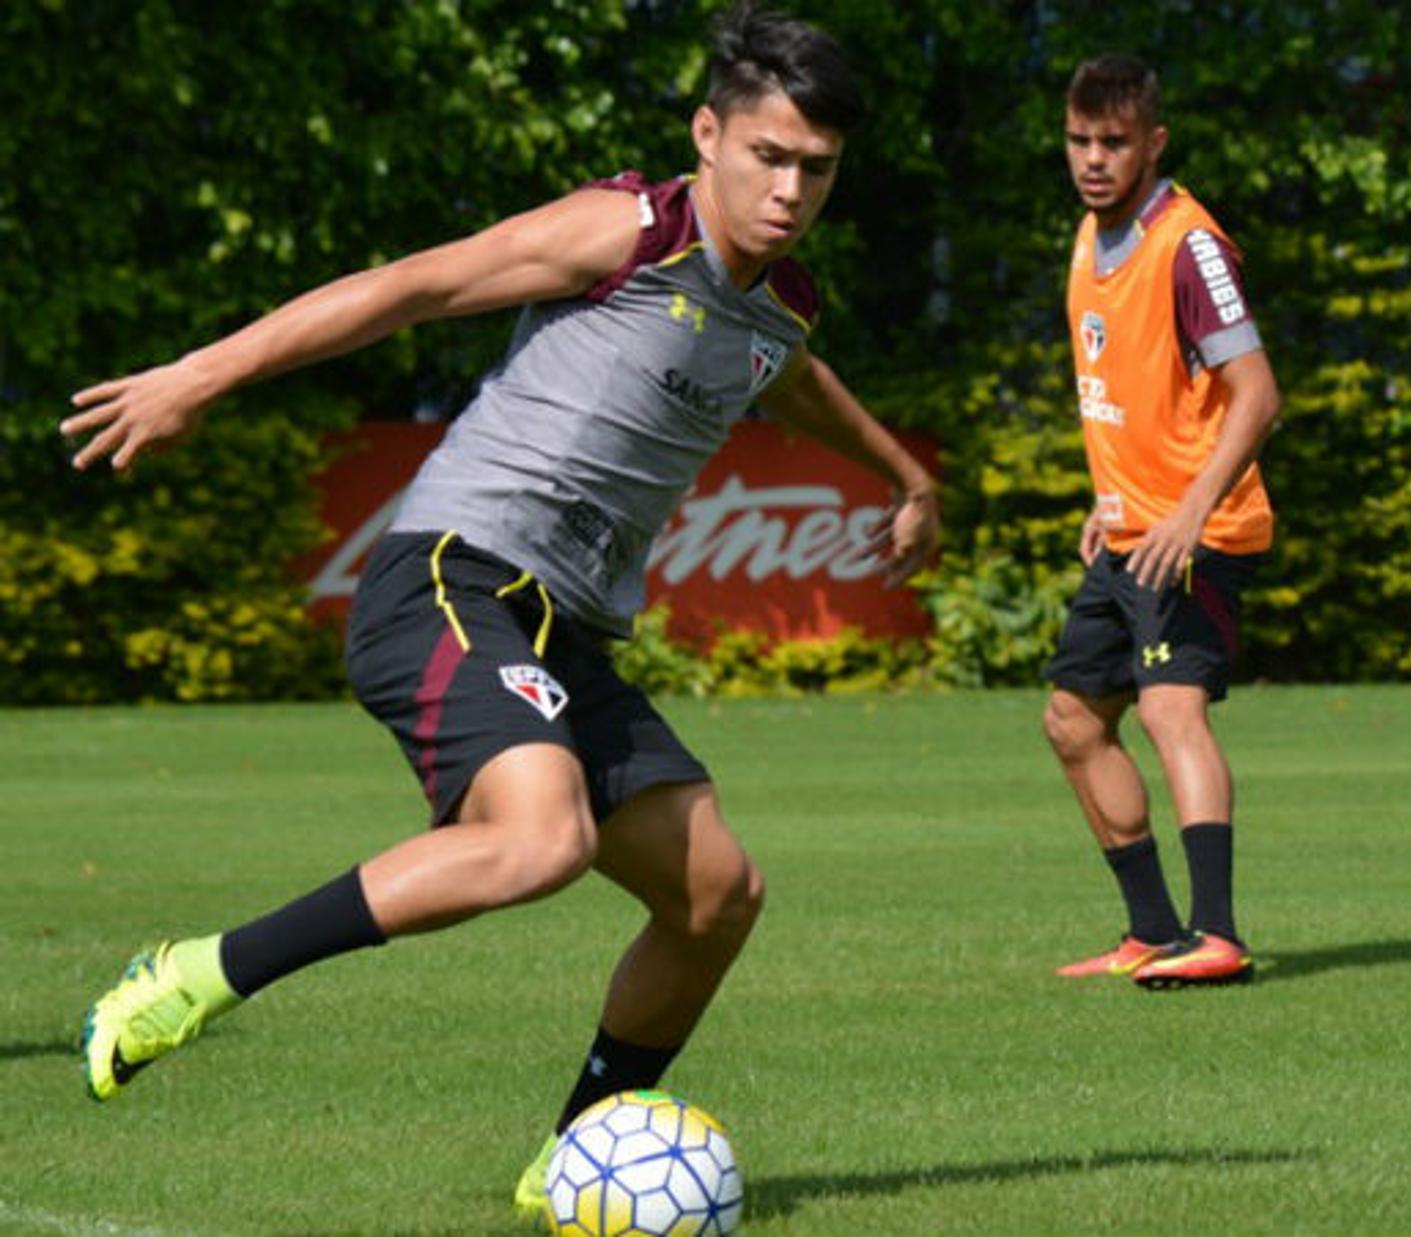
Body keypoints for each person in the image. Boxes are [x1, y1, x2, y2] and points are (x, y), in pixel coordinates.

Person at [61, 2, 937, 1220]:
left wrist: (904, 476)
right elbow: (416, 286)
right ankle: (198, 974)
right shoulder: (628, 231)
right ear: (708, 136)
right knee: (541, 841)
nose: (790, 189)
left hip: (563, 627)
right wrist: (201, 372)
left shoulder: (778, 304)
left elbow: (796, 383)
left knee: (716, 894)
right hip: (452, 575)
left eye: (817, 169)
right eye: (768, 157)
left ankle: (573, 1153)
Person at [1042, 55, 1281, 990]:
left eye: (1113, 143)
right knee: (1072, 721)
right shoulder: (1089, 234)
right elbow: (1128, 393)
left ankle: (1217, 932)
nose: (1093, 160)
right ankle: (1151, 929)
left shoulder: (1189, 245)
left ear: (1154, 143)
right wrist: (1109, 502)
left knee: (1168, 707)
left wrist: (1188, 510)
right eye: (1078, 141)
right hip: (1130, 530)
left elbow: (1256, 393)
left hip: (1199, 532)